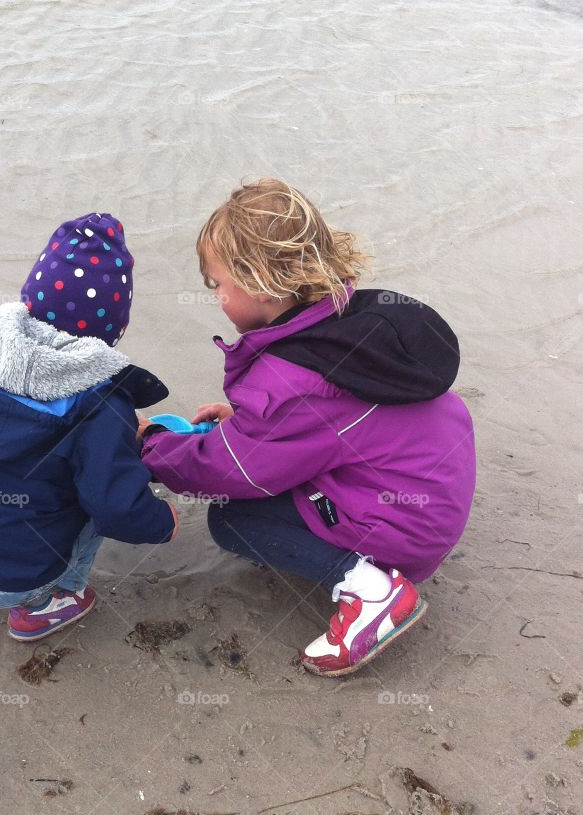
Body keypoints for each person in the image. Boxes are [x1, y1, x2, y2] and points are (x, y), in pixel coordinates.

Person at [139, 180, 475, 677]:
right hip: (430, 497)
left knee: (233, 519)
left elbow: (236, 472)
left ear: (258, 282)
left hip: (403, 529)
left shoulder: (293, 380)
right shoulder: (350, 321)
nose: (215, 297)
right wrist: (251, 424)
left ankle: (372, 593)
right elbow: (335, 427)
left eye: (217, 285)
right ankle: (363, 563)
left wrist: (152, 445)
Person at [0, 212, 178, 641]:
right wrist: (162, 521)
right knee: (93, 498)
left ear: (28, 302)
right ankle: (44, 606)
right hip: (15, 582)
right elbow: (116, 508)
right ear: (118, 329)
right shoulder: (102, 406)